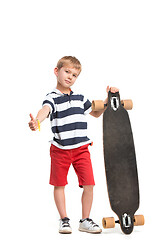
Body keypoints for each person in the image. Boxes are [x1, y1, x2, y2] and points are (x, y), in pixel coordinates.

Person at [28, 56, 119, 234]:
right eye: (67, 71)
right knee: (59, 184)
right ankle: (64, 220)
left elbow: (96, 113)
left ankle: (85, 220)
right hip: (60, 150)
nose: (70, 76)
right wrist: (37, 122)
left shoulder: (80, 97)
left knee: (89, 184)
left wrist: (108, 100)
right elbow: (44, 111)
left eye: (74, 75)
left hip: (81, 149)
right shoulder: (52, 97)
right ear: (57, 71)